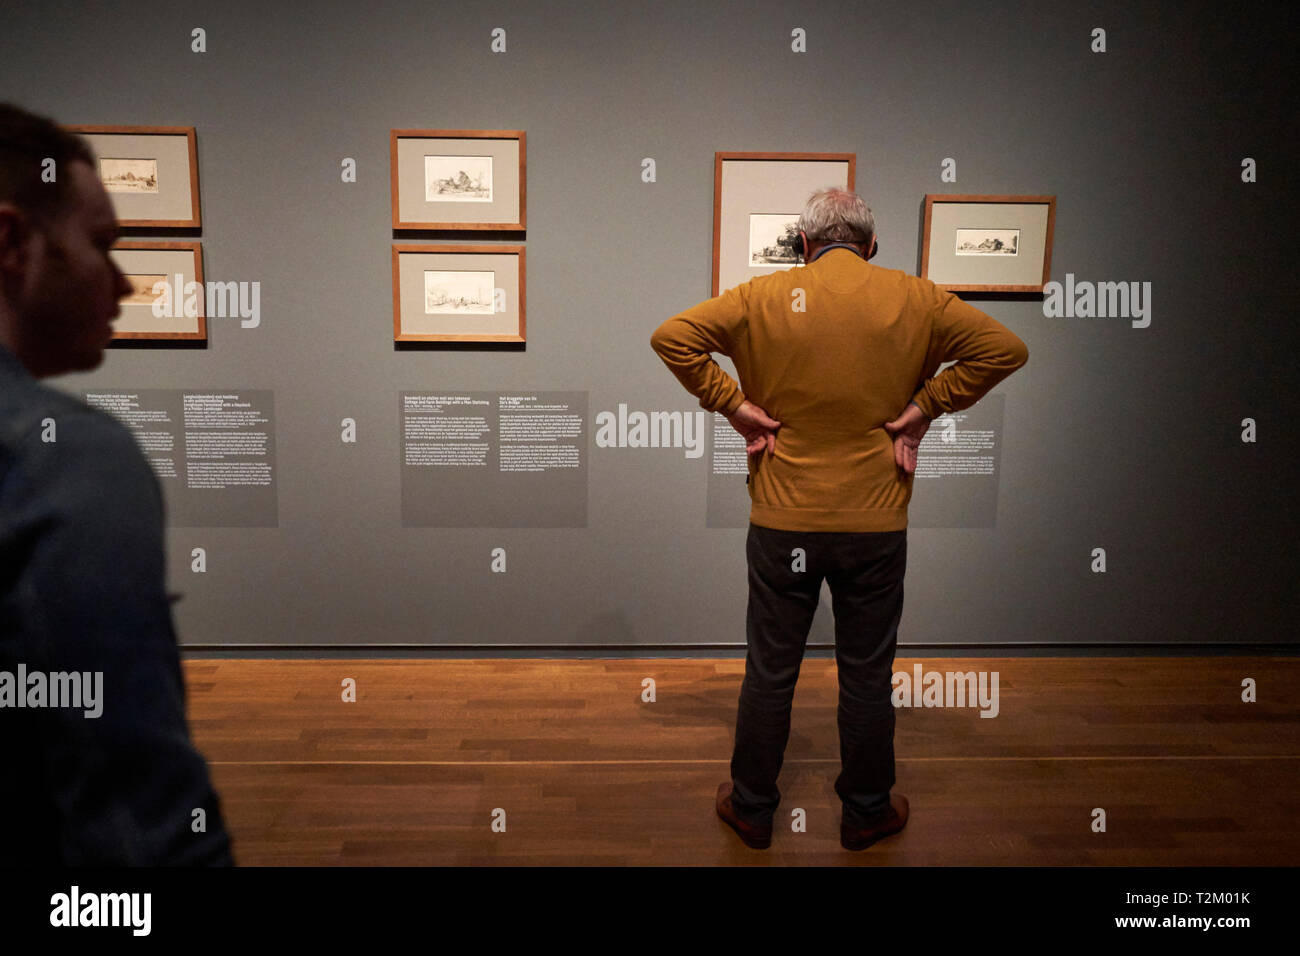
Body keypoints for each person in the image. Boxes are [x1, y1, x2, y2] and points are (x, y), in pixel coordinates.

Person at [650, 187, 1028, 850]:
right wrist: (926, 407)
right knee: (867, 672)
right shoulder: (918, 299)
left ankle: (753, 808)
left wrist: (733, 406)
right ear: (872, 246)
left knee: (771, 668)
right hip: (873, 527)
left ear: (802, 245)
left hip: (782, 522)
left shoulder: (758, 299)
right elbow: (1006, 350)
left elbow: (671, 338)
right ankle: (866, 810)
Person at [0, 103, 233, 865]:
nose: (126, 284)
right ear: (11, 243)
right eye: (101, 245)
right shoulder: (64, 458)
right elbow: (137, 814)